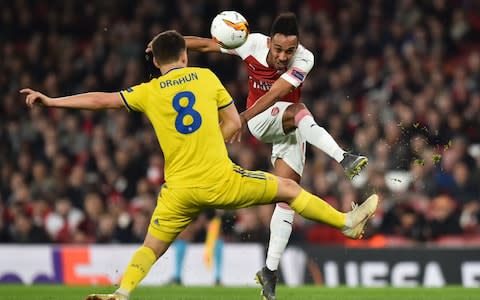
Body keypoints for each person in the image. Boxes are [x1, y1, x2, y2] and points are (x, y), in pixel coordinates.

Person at [22, 30, 378, 300]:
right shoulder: (205, 78)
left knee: (151, 246)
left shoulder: (148, 91)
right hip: (220, 180)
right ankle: (346, 223)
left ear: (156, 62)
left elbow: (102, 99)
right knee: (287, 189)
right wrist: (216, 136)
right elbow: (235, 124)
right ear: (184, 56)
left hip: (178, 190)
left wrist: (52, 101)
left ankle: (123, 292)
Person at [147, 13, 369, 299]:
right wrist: (164, 44)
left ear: (297, 46)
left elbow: (278, 91)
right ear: (270, 42)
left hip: (286, 126)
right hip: (262, 121)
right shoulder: (250, 43)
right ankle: (344, 158)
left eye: (289, 50)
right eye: (278, 49)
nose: (283, 56)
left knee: (289, 197)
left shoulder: (305, 58)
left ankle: (269, 272)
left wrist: (238, 117)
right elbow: (203, 45)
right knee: (299, 110)